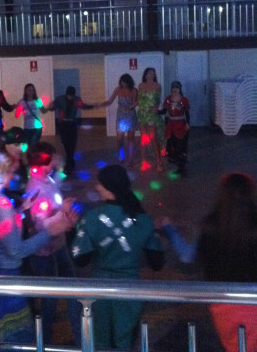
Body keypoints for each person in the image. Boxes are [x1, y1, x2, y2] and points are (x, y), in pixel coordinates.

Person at [0, 150, 78, 344]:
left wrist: (20, 210)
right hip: (2, 275)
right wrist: (51, 232)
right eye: (10, 172)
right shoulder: (1, 204)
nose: (13, 176)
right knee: (12, 333)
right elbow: (17, 250)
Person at [71, 164, 165, 350]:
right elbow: (157, 263)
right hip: (130, 291)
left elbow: (79, 259)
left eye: (100, 183)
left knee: (100, 342)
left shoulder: (92, 218)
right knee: (125, 342)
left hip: (99, 291)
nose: (97, 187)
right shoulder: (143, 220)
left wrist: (72, 232)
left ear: (109, 188)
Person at [160, 173, 257, 352]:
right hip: (253, 298)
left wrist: (169, 229)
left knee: (235, 346)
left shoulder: (211, 225)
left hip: (221, 301)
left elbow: (187, 256)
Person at [25, 141, 79, 344]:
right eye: (50, 161)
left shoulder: (45, 179)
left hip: (58, 244)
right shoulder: (35, 188)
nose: (53, 163)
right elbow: (41, 224)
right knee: (50, 299)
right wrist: (62, 213)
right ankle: (45, 339)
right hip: (46, 251)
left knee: (69, 287)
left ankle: (75, 332)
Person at [46, 86, 94, 174]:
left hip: (72, 123)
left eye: (71, 96)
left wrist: (93, 106)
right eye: (69, 96)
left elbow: (83, 106)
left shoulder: (76, 99)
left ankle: (70, 159)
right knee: (65, 141)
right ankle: (69, 158)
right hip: (63, 123)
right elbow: (52, 108)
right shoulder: (60, 99)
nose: (70, 97)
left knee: (72, 142)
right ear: (66, 94)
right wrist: (50, 106)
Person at [100, 73, 138, 167]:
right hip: (121, 115)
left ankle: (131, 158)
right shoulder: (117, 89)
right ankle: (121, 153)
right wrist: (101, 104)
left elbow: (136, 102)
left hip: (130, 115)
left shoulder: (134, 90)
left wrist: (130, 107)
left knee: (130, 138)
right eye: (122, 82)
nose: (123, 84)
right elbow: (110, 101)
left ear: (129, 82)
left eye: (125, 82)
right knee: (119, 138)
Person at [138, 67, 165, 172]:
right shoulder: (141, 85)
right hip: (142, 113)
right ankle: (143, 162)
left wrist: (156, 107)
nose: (151, 75)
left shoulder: (157, 86)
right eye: (149, 73)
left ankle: (159, 162)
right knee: (144, 139)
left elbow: (158, 100)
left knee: (153, 138)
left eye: (153, 73)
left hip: (152, 114)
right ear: (145, 75)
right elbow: (139, 99)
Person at [161, 81, 190, 176]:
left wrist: (188, 123)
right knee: (171, 144)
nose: (175, 89)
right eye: (173, 88)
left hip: (180, 124)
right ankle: (174, 163)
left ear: (179, 89)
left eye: (177, 88)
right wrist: (156, 111)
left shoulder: (184, 100)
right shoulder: (168, 99)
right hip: (171, 125)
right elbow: (164, 111)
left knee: (180, 145)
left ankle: (181, 166)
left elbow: (186, 113)